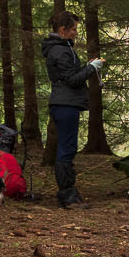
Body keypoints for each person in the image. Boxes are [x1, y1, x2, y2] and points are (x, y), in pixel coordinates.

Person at [41, 11, 103, 208]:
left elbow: (68, 75)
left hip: (65, 103)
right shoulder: (60, 51)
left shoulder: (62, 48)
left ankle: (68, 193)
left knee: (67, 147)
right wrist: (92, 68)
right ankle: (67, 196)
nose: (76, 32)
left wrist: (88, 66)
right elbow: (72, 80)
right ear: (62, 30)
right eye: (74, 29)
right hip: (65, 104)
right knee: (67, 149)